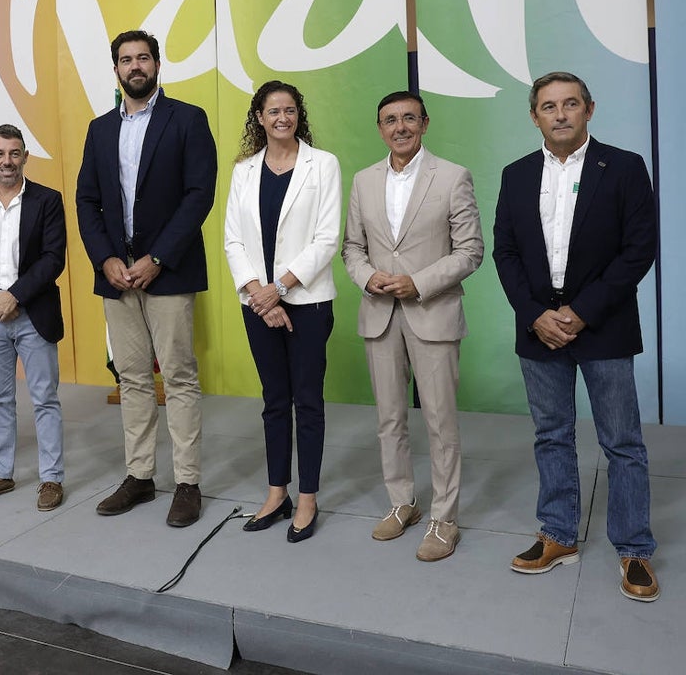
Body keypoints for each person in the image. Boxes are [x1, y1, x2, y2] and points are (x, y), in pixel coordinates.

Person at [493, 71, 660, 602]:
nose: (560, 114)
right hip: (539, 328)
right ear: (534, 115)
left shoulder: (626, 167)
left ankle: (634, 547)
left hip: (604, 324)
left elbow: (639, 249)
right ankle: (558, 534)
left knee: (623, 443)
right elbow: (506, 253)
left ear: (589, 109)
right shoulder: (516, 174)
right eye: (548, 106)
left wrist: (581, 313)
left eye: (570, 104)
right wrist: (536, 313)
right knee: (551, 435)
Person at [75, 29, 218, 528]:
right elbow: (87, 202)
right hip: (117, 276)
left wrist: (158, 257)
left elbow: (199, 195)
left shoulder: (188, 120)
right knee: (133, 378)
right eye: (125, 60)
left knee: (177, 377)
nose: (134, 66)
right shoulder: (98, 130)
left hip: (167, 271)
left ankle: (187, 482)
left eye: (142, 58)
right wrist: (105, 259)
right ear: (115, 69)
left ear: (158, 64)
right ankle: (139, 476)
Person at [342, 91, 483, 561]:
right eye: (389, 120)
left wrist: (417, 283)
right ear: (379, 129)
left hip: (432, 313)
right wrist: (369, 277)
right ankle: (402, 502)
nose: (399, 126)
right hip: (379, 315)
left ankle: (445, 519)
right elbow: (352, 249)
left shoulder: (452, 176)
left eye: (408, 118)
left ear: (424, 122)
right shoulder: (363, 180)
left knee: (441, 423)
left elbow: (470, 251)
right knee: (390, 419)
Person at [223, 81, 340, 543]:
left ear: (298, 116)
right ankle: (278, 493)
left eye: (290, 110)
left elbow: (327, 238)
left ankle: (307, 497)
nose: (282, 118)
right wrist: (259, 295)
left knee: (307, 401)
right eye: (273, 111)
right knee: (274, 402)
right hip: (257, 304)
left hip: (307, 302)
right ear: (259, 118)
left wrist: (279, 289)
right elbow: (233, 239)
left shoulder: (322, 164)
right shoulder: (244, 171)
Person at [0, 124, 67, 512]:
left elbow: (54, 259)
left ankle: (51, 478)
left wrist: (14, 296)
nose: (7, 161)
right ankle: (1, 473)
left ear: (25, 157)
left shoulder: (48, 200)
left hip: (32, 313)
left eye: (14, 153)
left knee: (44, 399)